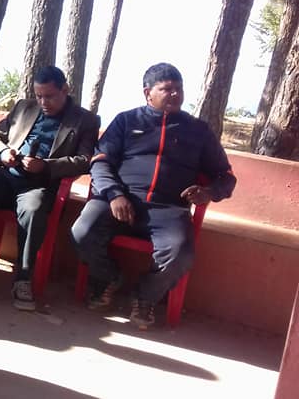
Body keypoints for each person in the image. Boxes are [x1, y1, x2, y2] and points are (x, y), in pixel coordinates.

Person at [70, 62, 236, 330]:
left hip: (167, 209)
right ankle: (109, 278)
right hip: (119, 201)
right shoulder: (126, 121)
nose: (175, 94)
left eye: (179, 88)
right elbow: (100, 162)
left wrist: (209, 192)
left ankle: (145, 297)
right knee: (82, 232)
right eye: (167, 89)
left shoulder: (198, 131)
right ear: (148, 93)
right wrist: (114, 195)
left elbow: (226, 176)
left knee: (180, 254)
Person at [0, 66, 100, 309]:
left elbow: (83, 160)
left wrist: (46, 166)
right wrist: (3, 153)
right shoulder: (24, 107)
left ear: (65, 89)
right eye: (39, 96)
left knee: (33, 209)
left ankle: (23, 278)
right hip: (5, 175)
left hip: (38, 185)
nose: (43, 102)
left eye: (49, 96)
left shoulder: (85, 120)